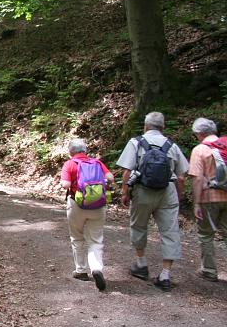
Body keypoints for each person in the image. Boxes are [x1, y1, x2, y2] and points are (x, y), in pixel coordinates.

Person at [117, 111, 189, 292]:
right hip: (167, 191)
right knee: (170, 231)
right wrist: (178, 197)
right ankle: (165, 275)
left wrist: (125, 192)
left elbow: (127, 171)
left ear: (145, 126)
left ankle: (141, 264)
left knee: (139, 226)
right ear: (163, 127)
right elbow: (181, 177)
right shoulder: (172, 146)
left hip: (142, 191)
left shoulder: (136, 142)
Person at [60, 139, 114, 292]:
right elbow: (110, 178)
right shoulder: (96, 162)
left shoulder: (70, 164)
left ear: (71, 151)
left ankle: (81, 270)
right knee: (96, 239)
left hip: (77, 204)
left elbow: (65, 184)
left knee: (77, 237)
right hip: (98, 205)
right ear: (85, 150)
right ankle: (96, 268)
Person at [188, 117, 227, 282]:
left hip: (208, 198)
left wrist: (196, 203)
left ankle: (209, 270)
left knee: (206, 235)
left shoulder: (200, 150)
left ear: (200, 134)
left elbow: (197, 179)